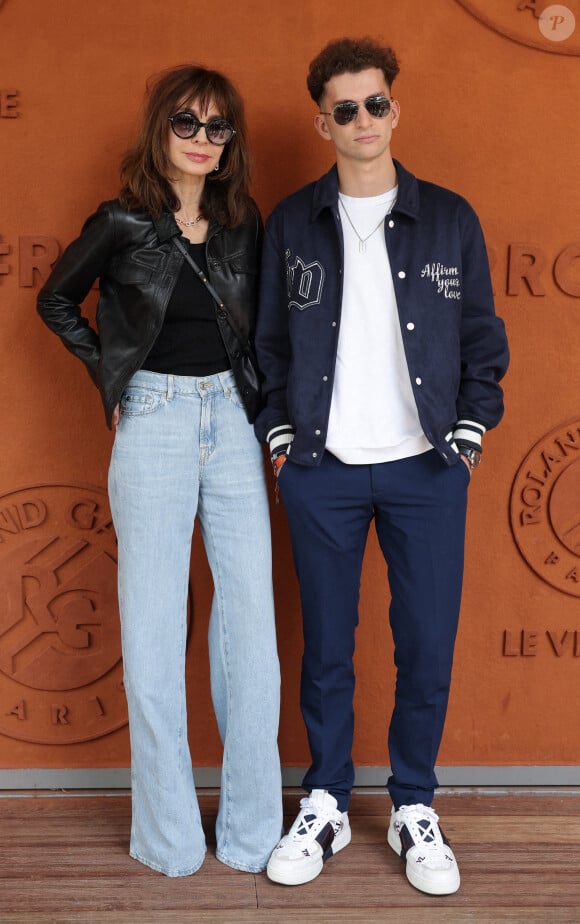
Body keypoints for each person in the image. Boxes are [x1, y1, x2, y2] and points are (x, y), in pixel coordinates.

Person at [254, 37, 509, 895]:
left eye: (375, 104)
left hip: (426, 468)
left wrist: (467, 437)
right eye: (344, 108)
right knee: (325, 647)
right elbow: (268, 346)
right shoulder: (292, 222)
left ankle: (413, 806)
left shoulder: (449, 218)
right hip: (322, 467)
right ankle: (325, 798)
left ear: (394, 111)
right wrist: (283, 441)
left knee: (426, 644)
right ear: (321, 121)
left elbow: (482, 343)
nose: (362, 119)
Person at [37, 64, 282, 877]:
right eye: (188, 124)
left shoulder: (246, 223)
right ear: (159, 129)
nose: (204, 141)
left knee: (249, 628)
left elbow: (264, 330)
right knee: (151, 626)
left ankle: (252, 832)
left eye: (219, 128)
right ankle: (170, 837)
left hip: (235, 425)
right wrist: (112, 376)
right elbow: (57, 301)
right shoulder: (120, 221)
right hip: (154, 419)